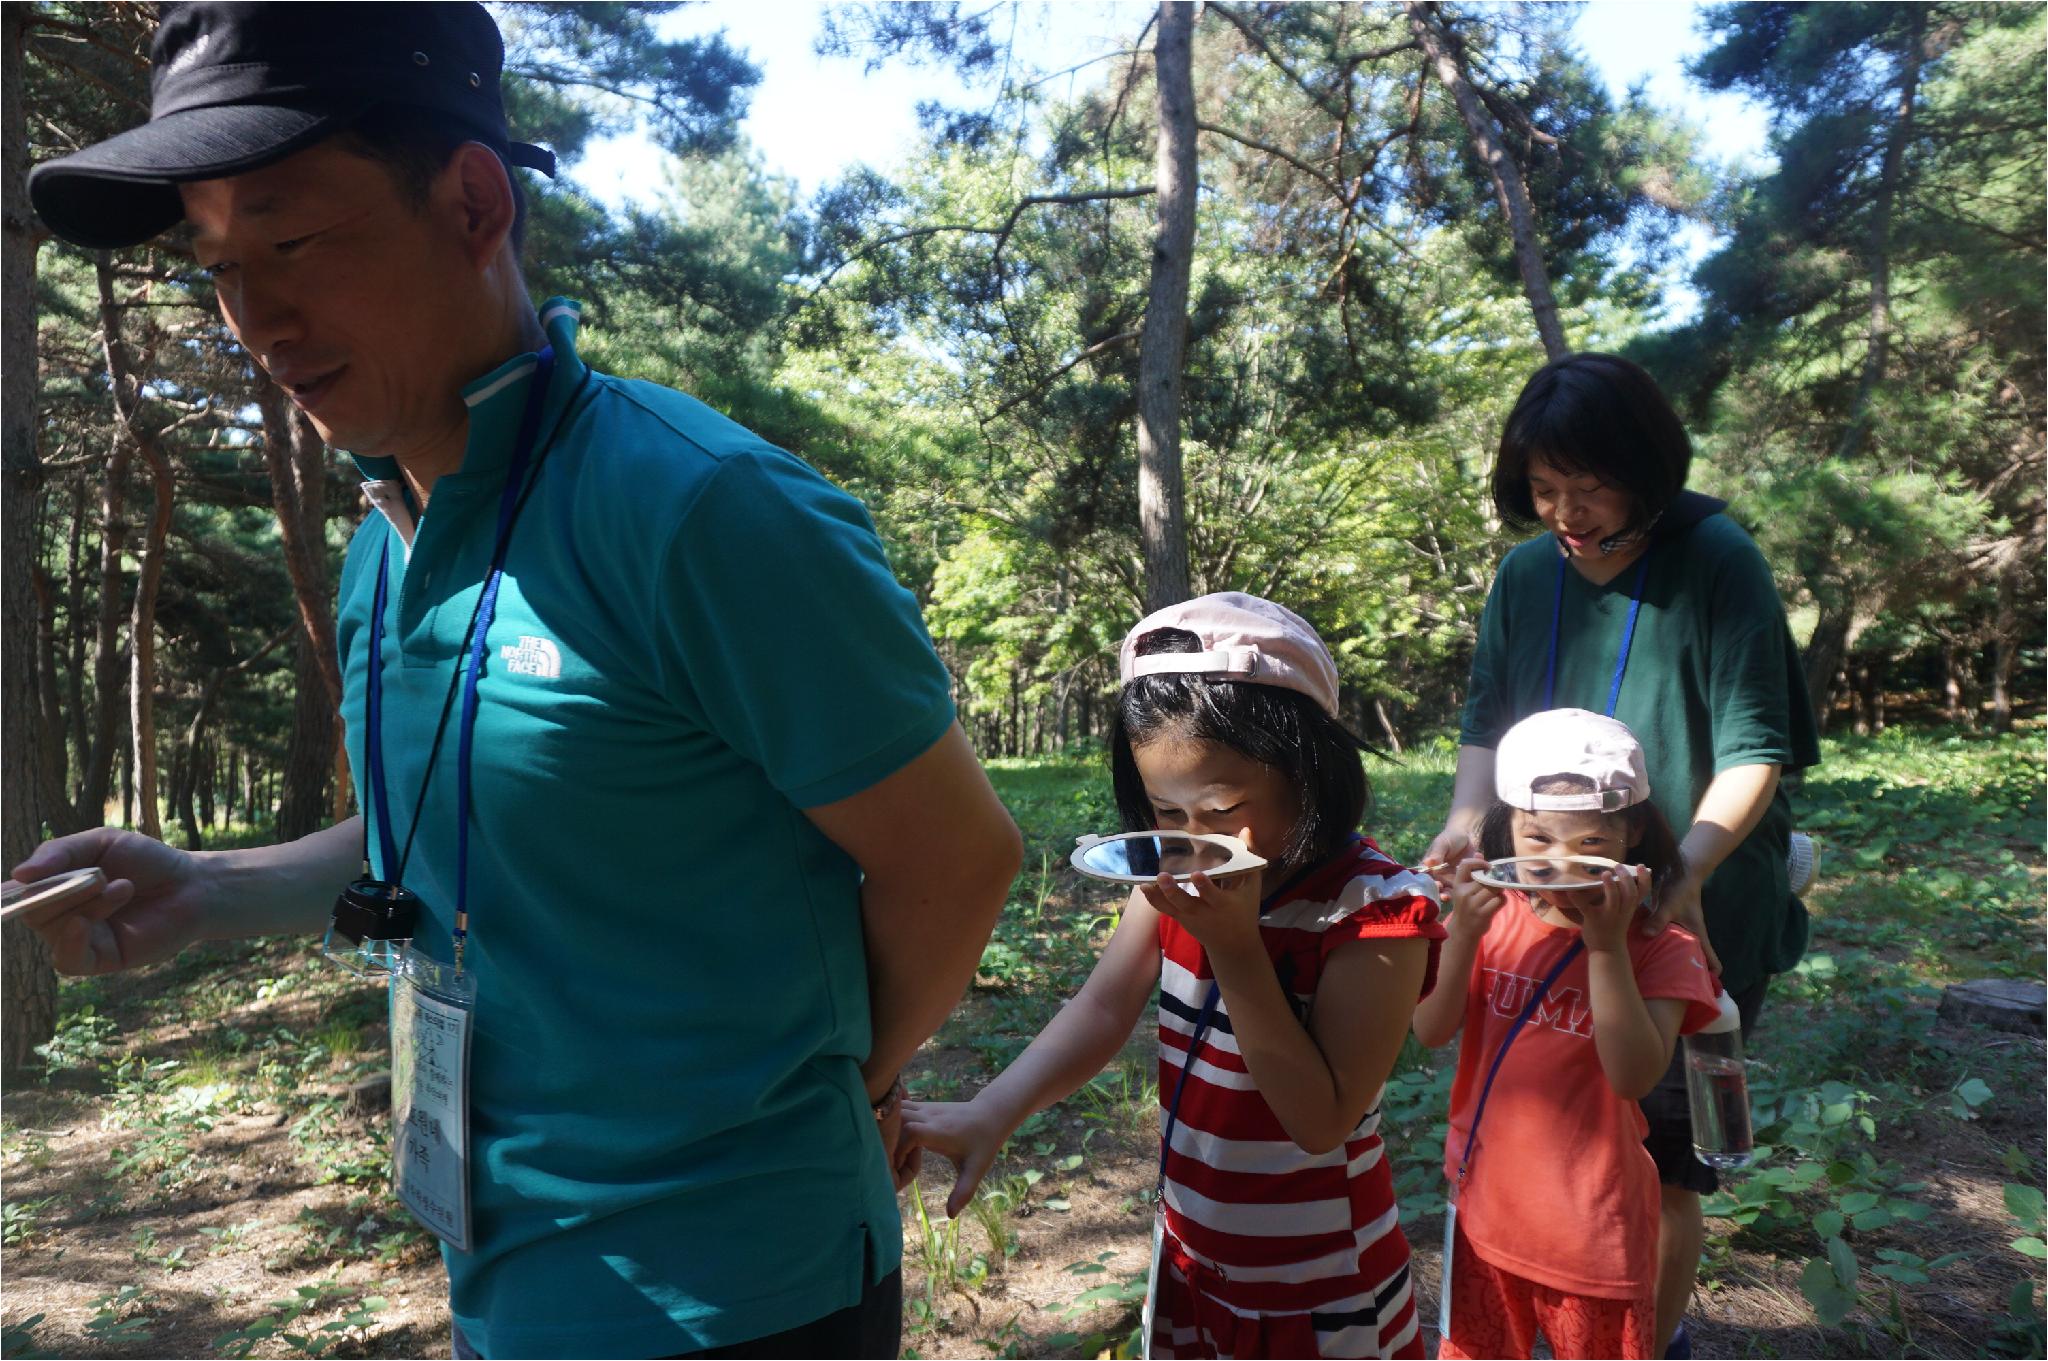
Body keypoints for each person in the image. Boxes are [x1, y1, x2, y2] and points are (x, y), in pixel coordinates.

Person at [14, 5, 1022, 1357]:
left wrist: (854, 1088)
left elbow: (957, 859)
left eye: (294, 238)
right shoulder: (391, 535)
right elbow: (441, 832)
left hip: (739, 1291)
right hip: (503, 1267)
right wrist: (215, 887)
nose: (255, 315)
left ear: (474, 203)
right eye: (217, 263)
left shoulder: (702, 513)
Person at [904, 593, 1446, 1359]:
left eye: (1222, 807)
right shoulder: (1172, 876)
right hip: (1194, 1258)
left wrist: (1234, 947)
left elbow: (1320, 1119)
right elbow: (1103, 1005)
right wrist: (995, 1108)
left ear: (1310, 770)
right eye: (1166, 809)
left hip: (1321, 1290)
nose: (1194, 841)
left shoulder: (1374, 912)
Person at [1422, 352, 1820, 1356]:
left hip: (1690, 901)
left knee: (1666, 1157)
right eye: (1543, 487)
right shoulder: (1523, 575)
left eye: (1587, 484)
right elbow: (1484, 720)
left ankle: (1657, 1333)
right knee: (1554, 1124)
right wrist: (1468, 820)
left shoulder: (1714, 558)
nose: (1565, 509)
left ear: (1644, 467)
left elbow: (1753, 747)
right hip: (1543, 900)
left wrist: (1678, 874)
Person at [1414, 709, 1720, 1360]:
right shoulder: (1495, 918)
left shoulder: (1660, 947)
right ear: (1507, 825)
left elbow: (1634, 1074)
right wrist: (1462, 933)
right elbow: (1430, 1029)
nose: (1557, 865)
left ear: (1632, 828)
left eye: (1585, 844)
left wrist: (1606, 947)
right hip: (1485, 1216)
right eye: (1536, 838)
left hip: (1595, 1237)